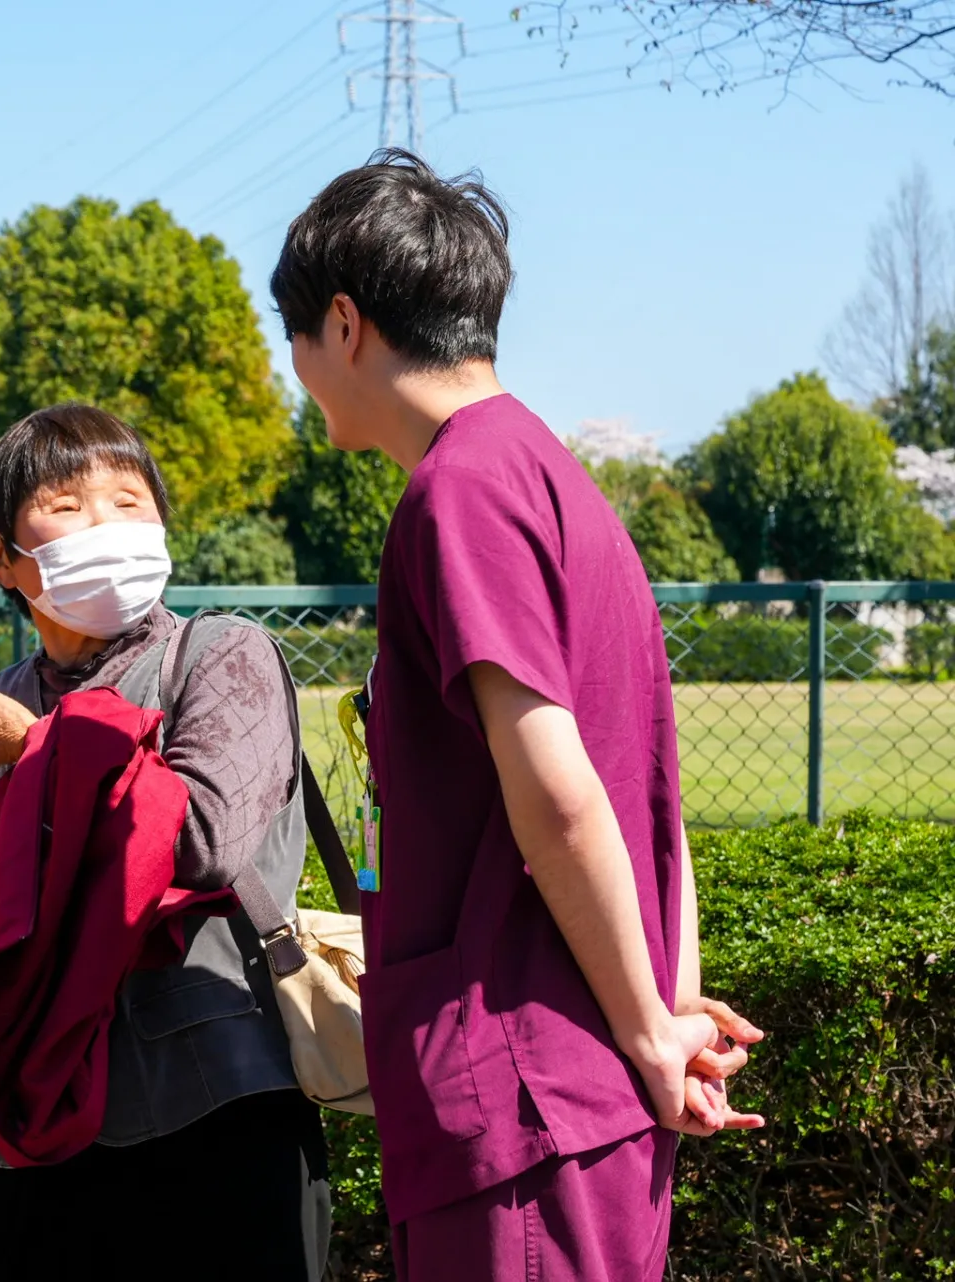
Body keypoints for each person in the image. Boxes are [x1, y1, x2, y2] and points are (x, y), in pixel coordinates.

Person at [268, 149, 764, 1279]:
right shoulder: (558, 479)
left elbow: (561, 793)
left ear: (344, 324)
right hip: (578, 1095)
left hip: (527, 1101)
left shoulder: (459, 490)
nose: (298, 369)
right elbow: (651, 795)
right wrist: (669, 1011)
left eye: (295, 338)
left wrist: (651, 1031)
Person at [0, 404, 330, 1282]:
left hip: (216, 1090)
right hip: (36, 1110)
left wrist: (35, 749)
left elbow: (202, 841)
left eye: (129, 500)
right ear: (4, 558)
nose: (106, 525)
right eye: (68, 507)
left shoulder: (222, 656)